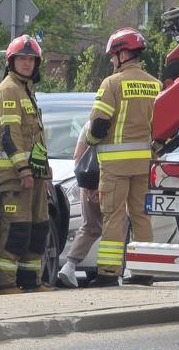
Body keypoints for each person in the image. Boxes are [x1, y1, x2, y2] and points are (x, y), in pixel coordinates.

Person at [83, 27, 161, 286]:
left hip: (115, 166)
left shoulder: (112, 83)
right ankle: (144, 271)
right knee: (141, 216)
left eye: (113, 55)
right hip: (145, 164)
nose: (112, 60)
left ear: (123, 54)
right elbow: (163, 127)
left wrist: (90, 142)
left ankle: (108, 272)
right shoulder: (155, 85)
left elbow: (98, 126)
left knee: (114, 216)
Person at [0, 35, 55, 295]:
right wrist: (24, 170)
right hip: (16, 176)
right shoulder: (9, 90)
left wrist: (44, 171)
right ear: (11, 61)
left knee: (37, 228)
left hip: (35, 175)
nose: (27, 63)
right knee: (15, 228)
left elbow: (35, 137)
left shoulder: (26, 90)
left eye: (31, 59)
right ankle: (4, 283)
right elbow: (9, 135)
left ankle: (31, 281)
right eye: (22, 59)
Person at [56, 120, 102, 288]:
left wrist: (86, 185)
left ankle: (69, 266)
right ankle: (110, 272)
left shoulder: (89, 125)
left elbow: (78, 156)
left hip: (88, 183)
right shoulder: (123, 123)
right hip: (112, 182)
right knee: (117, 226)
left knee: (90, 226)